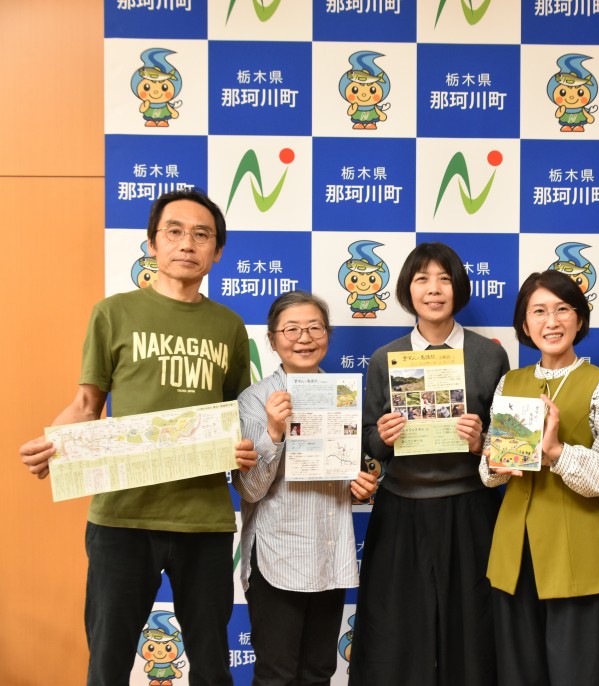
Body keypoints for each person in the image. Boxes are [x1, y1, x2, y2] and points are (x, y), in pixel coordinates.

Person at [18, 188, 258, 685]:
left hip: (204, 520)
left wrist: (244, 449)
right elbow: (86, 405)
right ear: (152, 243)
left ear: (217, 251)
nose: (187, 243)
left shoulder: (230, 326)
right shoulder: (113, 313)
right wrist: (53, 444)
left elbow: (236, 414)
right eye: (174, 231)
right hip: (122, 516)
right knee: (108, 661)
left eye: (202, 234)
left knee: (212, 664)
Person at [349, 242, 510, 685]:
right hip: (402, 509)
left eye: (444, 279)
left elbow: (508, 446)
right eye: (422, 280)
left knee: (473, 633)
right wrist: (381, 438)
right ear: (408, 289)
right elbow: (366, 441)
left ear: (459, 288)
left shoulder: (489, 355)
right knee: (397, 636)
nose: (434, 289)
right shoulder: (386, 357)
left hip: (471, 508)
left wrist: (481, 442)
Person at [481, 269, 599, 686]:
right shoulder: (510, 382)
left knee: (577, 675)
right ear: (524, 323)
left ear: (579, 319)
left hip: (578, 559)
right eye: (539, 311)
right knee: (517, 676)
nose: (551, 322)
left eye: (562, 309)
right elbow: (489, 471)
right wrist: (495, 463)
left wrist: (556, 453)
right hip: (514, 557)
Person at [233, 290, 377, 685]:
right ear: (272, 339)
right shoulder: (254, 399)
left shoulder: (343, 394)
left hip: (330, 550)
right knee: (276, 673)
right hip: (278, 554)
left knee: (319, 672)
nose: (304, 338)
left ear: (327, 334)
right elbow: (250, 490)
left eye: (315, 328)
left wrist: (362, 484)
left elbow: (348, 470)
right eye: (292, 329)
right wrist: (273, 431)